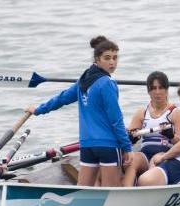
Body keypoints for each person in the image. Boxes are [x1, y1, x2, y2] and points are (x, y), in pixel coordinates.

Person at [26, 36, 131, 187]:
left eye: (115, 58)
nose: (112, 62)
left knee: (83, 191)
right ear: (97, 59)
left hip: (87, 145)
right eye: (107, 58)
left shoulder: (83, 79)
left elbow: (61, 99)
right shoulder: (107, 83)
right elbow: (116, 119)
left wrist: (38, 109)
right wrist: (127, 147)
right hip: (108, 145)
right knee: (112, 194)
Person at [121, 71, 180, 187]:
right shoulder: (141, 112)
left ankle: (148, 186)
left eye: (161, 88)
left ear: (166, 90)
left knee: (156, 161)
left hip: (165, 154)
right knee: (131, 161)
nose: (157, 92)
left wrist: (171, 136)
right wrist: (131, 138)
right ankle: (126, 191)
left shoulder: (176, 113)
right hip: (145, 155)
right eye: (153, 88)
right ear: (148, 91)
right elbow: (128, 140)